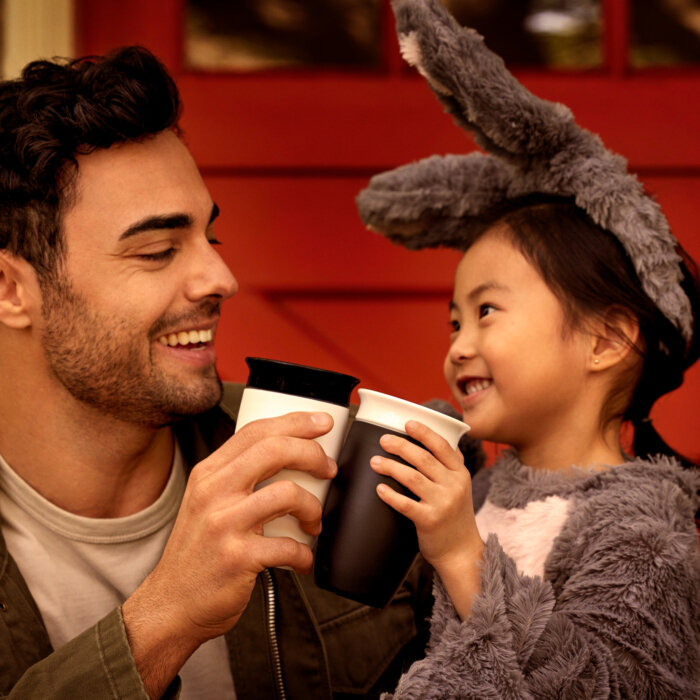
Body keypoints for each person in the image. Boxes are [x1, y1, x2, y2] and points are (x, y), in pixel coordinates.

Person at [0, 46, 437, 698]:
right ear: (11, 289)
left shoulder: (344, 464)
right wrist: (163, 621)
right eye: (157, 250)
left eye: (211, 237)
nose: (220, 278)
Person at [355, 0, 700, 697]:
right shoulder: (480, 491)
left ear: (606, 339)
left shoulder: (645, 531)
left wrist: (462, 553)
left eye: (486, 312)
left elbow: (612, 684)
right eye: (454, 322)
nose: (460, 346)